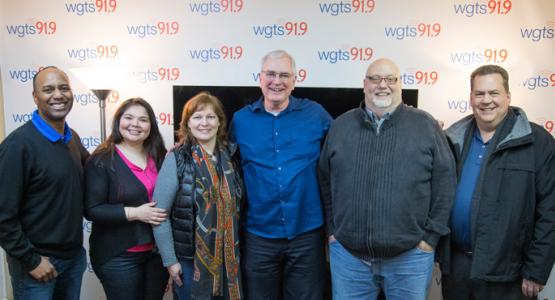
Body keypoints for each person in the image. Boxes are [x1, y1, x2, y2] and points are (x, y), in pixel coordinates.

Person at [318, 58, 456, 300]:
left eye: (391, 79)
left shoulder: (426, 125)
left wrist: (430, 239)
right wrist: (333, 231)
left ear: (400, 84)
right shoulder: (341, 126)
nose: (383, 85)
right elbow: (325, 180)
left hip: (410, 259)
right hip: (350, 260)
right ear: (364, 84)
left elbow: (445, 183)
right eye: (375, 79)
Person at [440, 65, 555, 300]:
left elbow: (551, 210)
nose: (486, 100)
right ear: (470, 98)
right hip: (458, 268)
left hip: (509, 274)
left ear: (508, 97)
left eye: (494, 93)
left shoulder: (538, 141)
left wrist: (537, 269)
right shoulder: (452, 140)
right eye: (479, 94)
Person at [229, 49, 333, 300]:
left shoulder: (315, 114)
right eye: (271, 74)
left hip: (306, 234)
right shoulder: (240, 120)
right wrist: (183, 145)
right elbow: (219, 154)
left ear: (295, 80)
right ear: (260, 78)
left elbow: (346, 146)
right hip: (258, 234)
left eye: (284, 75)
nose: (277, 81)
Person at [0, 66, 89, 300]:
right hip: (37, 264)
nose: (58, 95)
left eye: (64, 88)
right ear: (35, 97)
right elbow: (2, 215)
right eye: (48, 89)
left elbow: (97, 172)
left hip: (73, 258)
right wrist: (31, 260)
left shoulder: (72, 138)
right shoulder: (18, 146)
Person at [152, 92, 243, 299]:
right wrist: (170, 261)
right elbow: (159, 215)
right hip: (189, 262)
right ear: (188, 123)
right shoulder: (177, 159)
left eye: (211, 117)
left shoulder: (232, 156)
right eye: (198, 117)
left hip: (229, 261)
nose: (205, 123)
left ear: (220, 122)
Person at [84, 98, 169, 300]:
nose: (135, 124)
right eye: (128, 118)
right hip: (119, 255)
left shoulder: (159, 155)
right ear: (118, 121)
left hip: (156, 253)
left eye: (143, 120)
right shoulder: (102, 159)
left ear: (151, 126)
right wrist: (135, 213)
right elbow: (92, 209)